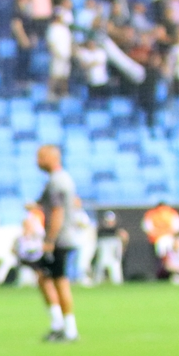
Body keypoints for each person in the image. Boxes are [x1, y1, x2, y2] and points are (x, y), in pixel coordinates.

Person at [29, 145, 83, 342]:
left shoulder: (58, 181)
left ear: (52, 158)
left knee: (60, 281)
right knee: (44, 277)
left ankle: (69, 329)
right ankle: (59, 323)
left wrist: (50, 240)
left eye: (40, 156)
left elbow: (58, 212)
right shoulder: (59, 180)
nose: (37, 161)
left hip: (61, 239)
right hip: (62, 237)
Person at [90, 211, 127, 286]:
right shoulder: (100, 230)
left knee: (115, 266)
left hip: (113, 254)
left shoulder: (118, 230)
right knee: (100, 265)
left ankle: (117, 282)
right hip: (103, 254)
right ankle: (97, 281)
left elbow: (124, 237)